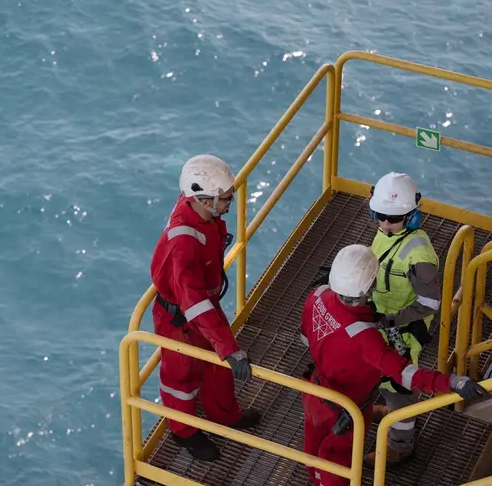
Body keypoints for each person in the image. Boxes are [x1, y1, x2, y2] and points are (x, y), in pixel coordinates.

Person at [300, 244, 487, 486]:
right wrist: (454, 382)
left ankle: (314, 478)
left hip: (314, 393)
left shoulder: (317, 295)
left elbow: (306, 337)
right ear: (371, 285)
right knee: (336, 461)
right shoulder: (366, 339)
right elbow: (408, 376)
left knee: (313, 448)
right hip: (347, 409)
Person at [150, 154, 261, 462]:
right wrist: (228, 347)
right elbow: (191, 300)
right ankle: (184, 432)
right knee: (180, 377)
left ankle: (224, 414)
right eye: (225, 199)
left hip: (202, 306)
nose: (230, 204)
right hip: (180, 318)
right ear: (203, 198)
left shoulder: (199, 211)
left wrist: (224, 349)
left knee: (217, 367)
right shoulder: (183, 243)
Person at [363, 172, 441, 467]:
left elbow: (429, 303)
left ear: (411, 217)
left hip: (403, 332)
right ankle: (392, 412)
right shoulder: (386, 233)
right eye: (379, 216)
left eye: (393, 219)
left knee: (401, 388)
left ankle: (400, 447)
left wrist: (390, 320)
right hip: (383, 322)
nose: (384, 224)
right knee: (385, 379)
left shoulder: (419, 254)